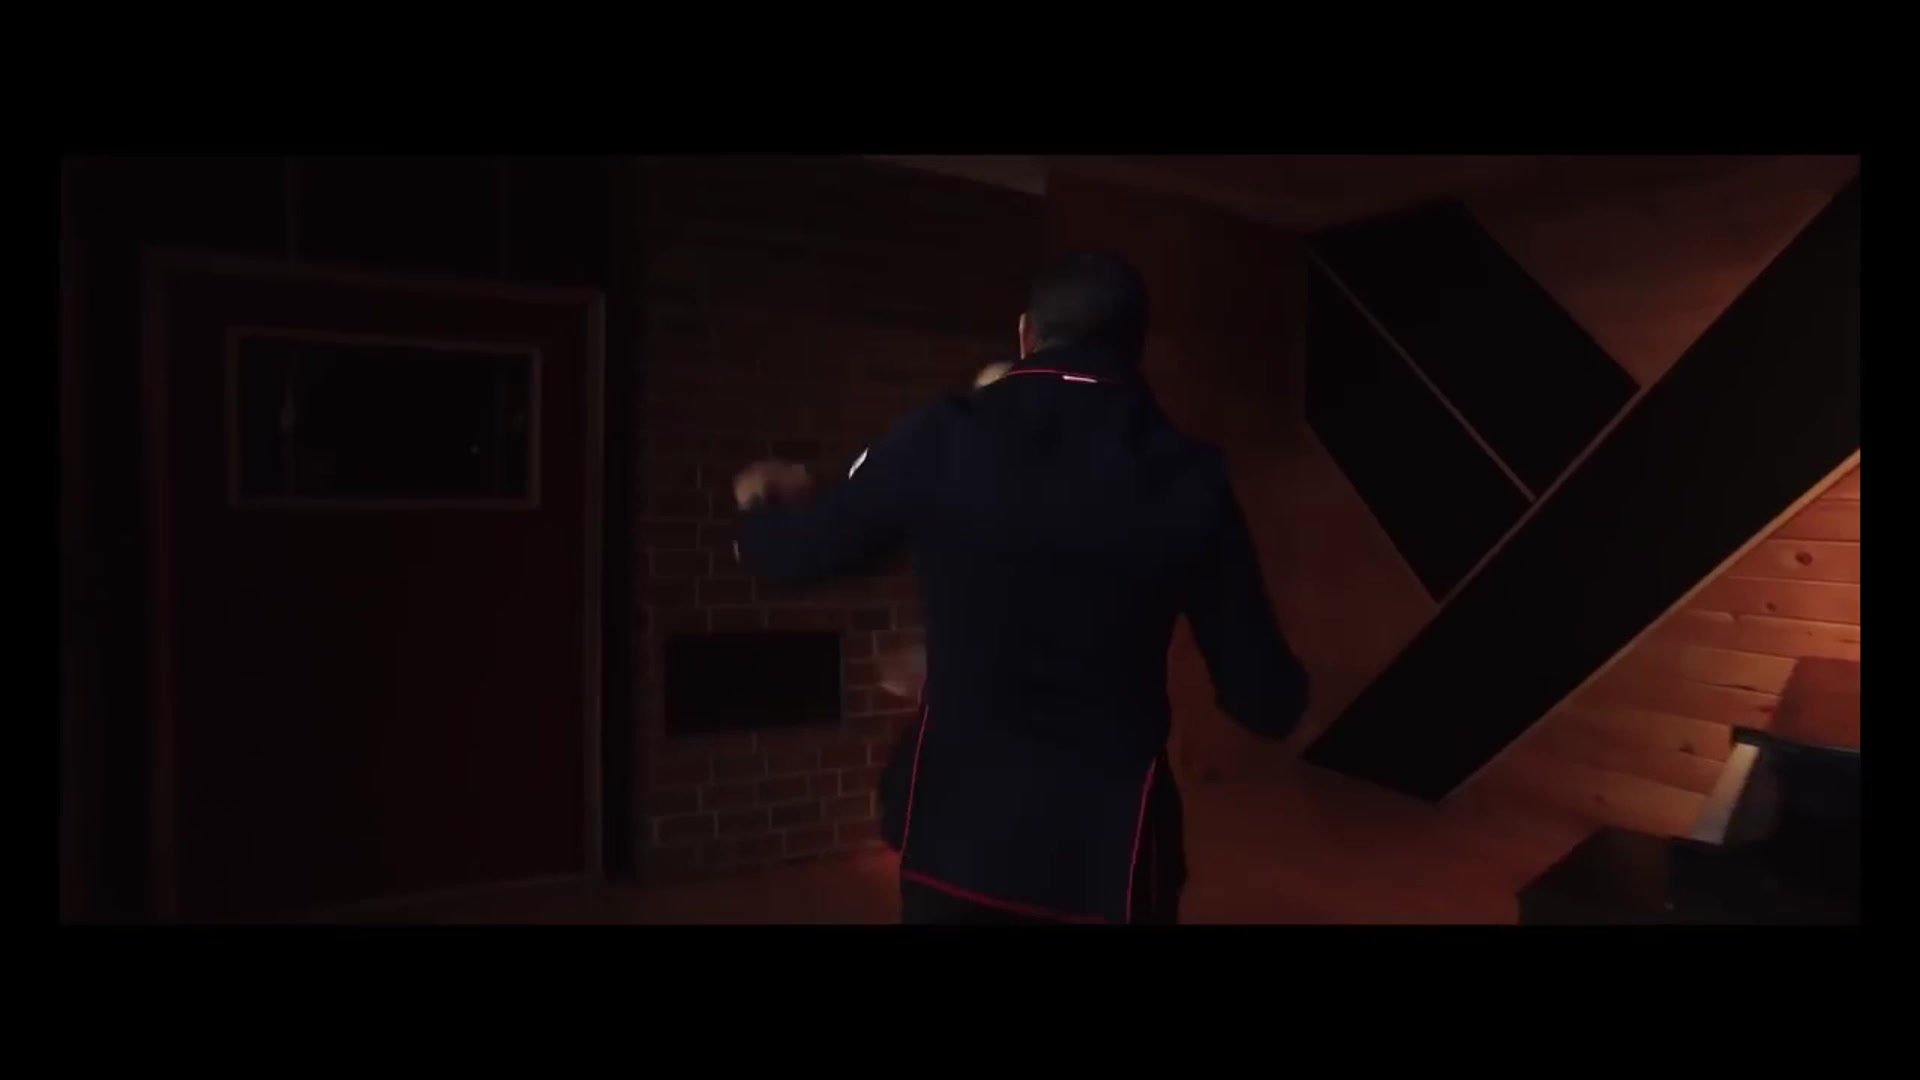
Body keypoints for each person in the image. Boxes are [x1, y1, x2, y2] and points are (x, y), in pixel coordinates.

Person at [733, 252, 1309, 925]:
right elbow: (1264, 701)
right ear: (1136, 347)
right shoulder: (1191, 476)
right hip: (1110, 870)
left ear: (1027, 334)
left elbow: (790, 555)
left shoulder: (945, 435)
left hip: (957, 853)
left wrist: (760, 503)